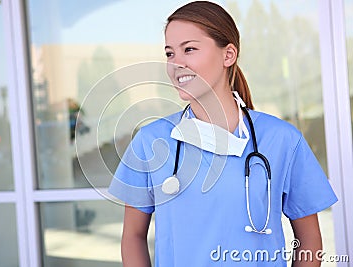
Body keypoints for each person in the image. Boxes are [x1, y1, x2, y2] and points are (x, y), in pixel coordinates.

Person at [108, 1, 337, 266]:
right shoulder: (150, 142)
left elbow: (309, 240)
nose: (175, 63)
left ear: (228, 55)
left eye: (189, 49)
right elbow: (134, 237)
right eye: (170, 53)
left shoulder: (282, 140)